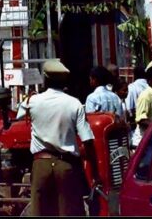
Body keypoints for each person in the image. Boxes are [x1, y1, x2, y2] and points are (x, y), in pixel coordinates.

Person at [21, 59, 102, 217]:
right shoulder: (74, 104)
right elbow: (87, 140)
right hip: (66, 166)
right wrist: (95, 173)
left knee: (40, 212)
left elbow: (18, 115)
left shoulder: (32, 101)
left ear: (45, 79)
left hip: (40, 165)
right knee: (69, 211)